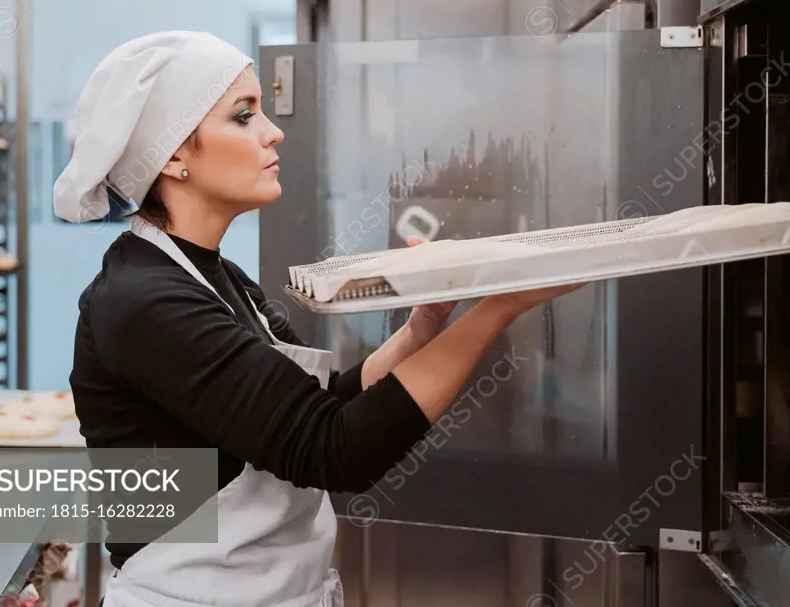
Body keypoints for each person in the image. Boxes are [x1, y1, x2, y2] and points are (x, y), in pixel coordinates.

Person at [54, 31, 584, 607]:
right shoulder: (144, 302)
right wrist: (498, 306)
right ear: (174, 155)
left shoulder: (213, 277)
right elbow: (334, 449)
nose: (273, 130)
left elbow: (322, 404)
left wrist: (424, 325)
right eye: (242, 116)